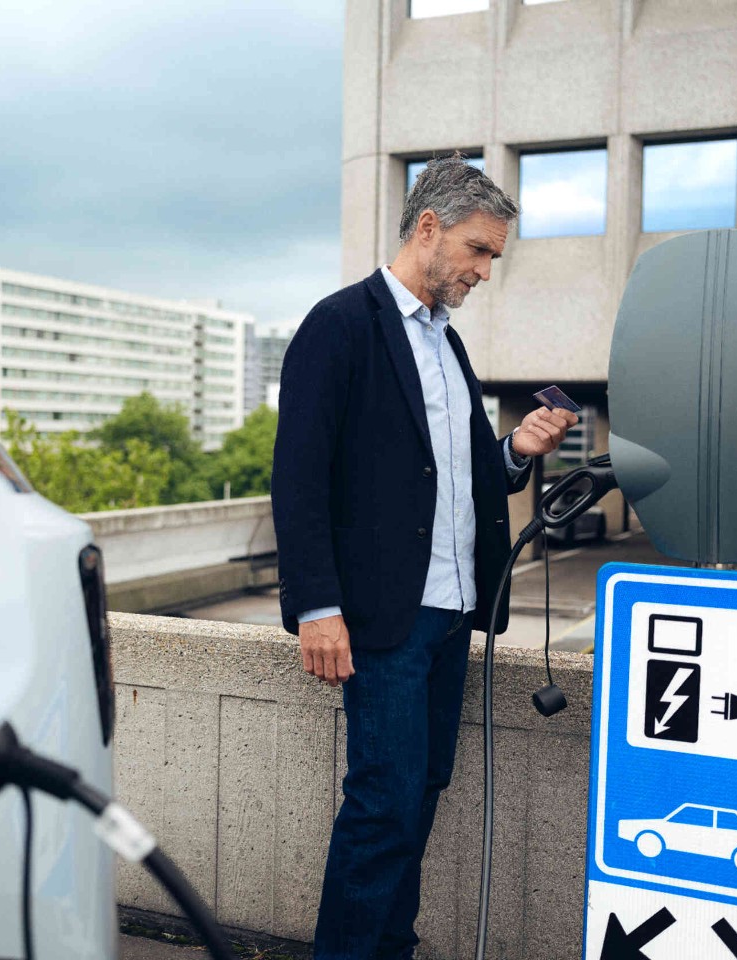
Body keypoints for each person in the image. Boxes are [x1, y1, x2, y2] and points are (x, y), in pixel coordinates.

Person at [270, 155, 578, 960]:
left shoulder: (447, 346)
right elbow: (297, 479)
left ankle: (389, 950)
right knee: (383, 804)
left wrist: (518, 448)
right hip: (380, 619)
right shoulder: (337, 326)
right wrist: (316, 607)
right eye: (479, 251)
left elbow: (472, 475)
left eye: (492, 258)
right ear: (429, 228)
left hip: (449, 614)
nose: (484, 271)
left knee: (421, 795)